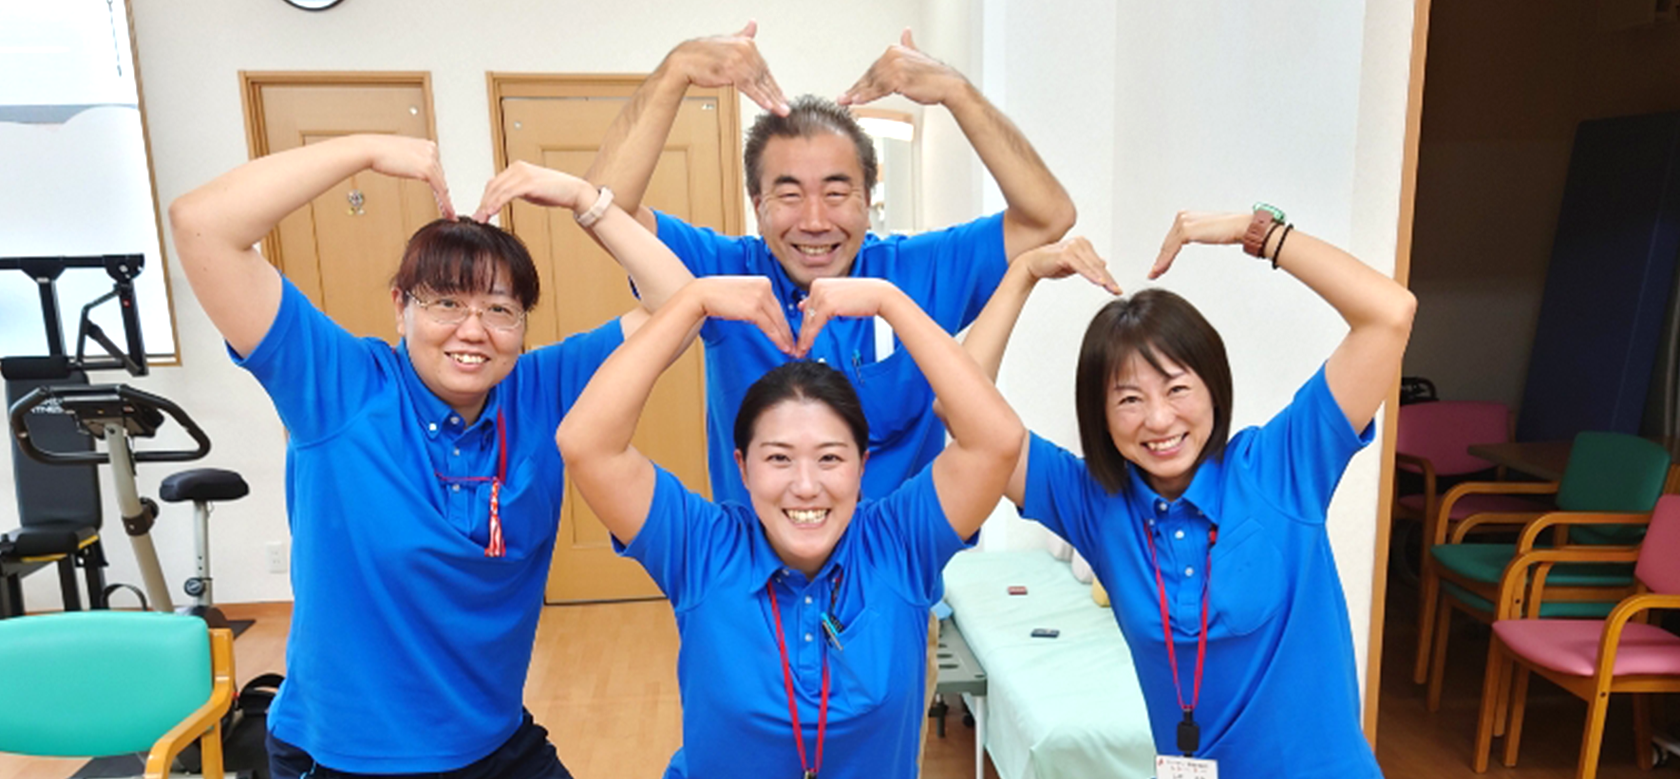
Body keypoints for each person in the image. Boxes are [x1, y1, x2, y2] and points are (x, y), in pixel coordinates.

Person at [169, 135, 690, 777]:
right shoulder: (340, 388)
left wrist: (586, 200)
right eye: (446, 303)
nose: (473, 330)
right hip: (348, 759)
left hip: (495, 745)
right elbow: (202, 226)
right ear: (400, 309)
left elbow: (681, 306)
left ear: (524, 325)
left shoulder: (540, 391)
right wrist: (363, 151)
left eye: (500, 310)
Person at [961, 210, 1415, 777]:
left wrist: (1258, 232)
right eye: (1128, 399)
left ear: (1213, 388)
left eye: (1177, 388)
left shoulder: (1280, 466)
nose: (1158, 419)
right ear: (1100, 415)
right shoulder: (1095, 502)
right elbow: (961, 411)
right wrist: (1023, 272)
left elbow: (1390, 315)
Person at [574, 23, 1075, 505]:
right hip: (756, 582)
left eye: (837, 193)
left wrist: (956, 91)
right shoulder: (723, 273)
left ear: (868, 197)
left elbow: (1047, 218)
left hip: (893, 579)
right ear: (757, 203)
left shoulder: (914, 273)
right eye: (789, 194)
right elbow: (604, 213)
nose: (815, 221)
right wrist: (674, 71)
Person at [555, 275, 1024, 779]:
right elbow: (586, 443)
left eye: (829, 458)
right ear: (743, 467)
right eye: (779, 458)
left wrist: (891, 303)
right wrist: (692, 302)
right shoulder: (701, 547)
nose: (805, 486)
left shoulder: (900, 542)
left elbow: (997, 441)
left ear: (862, 466)